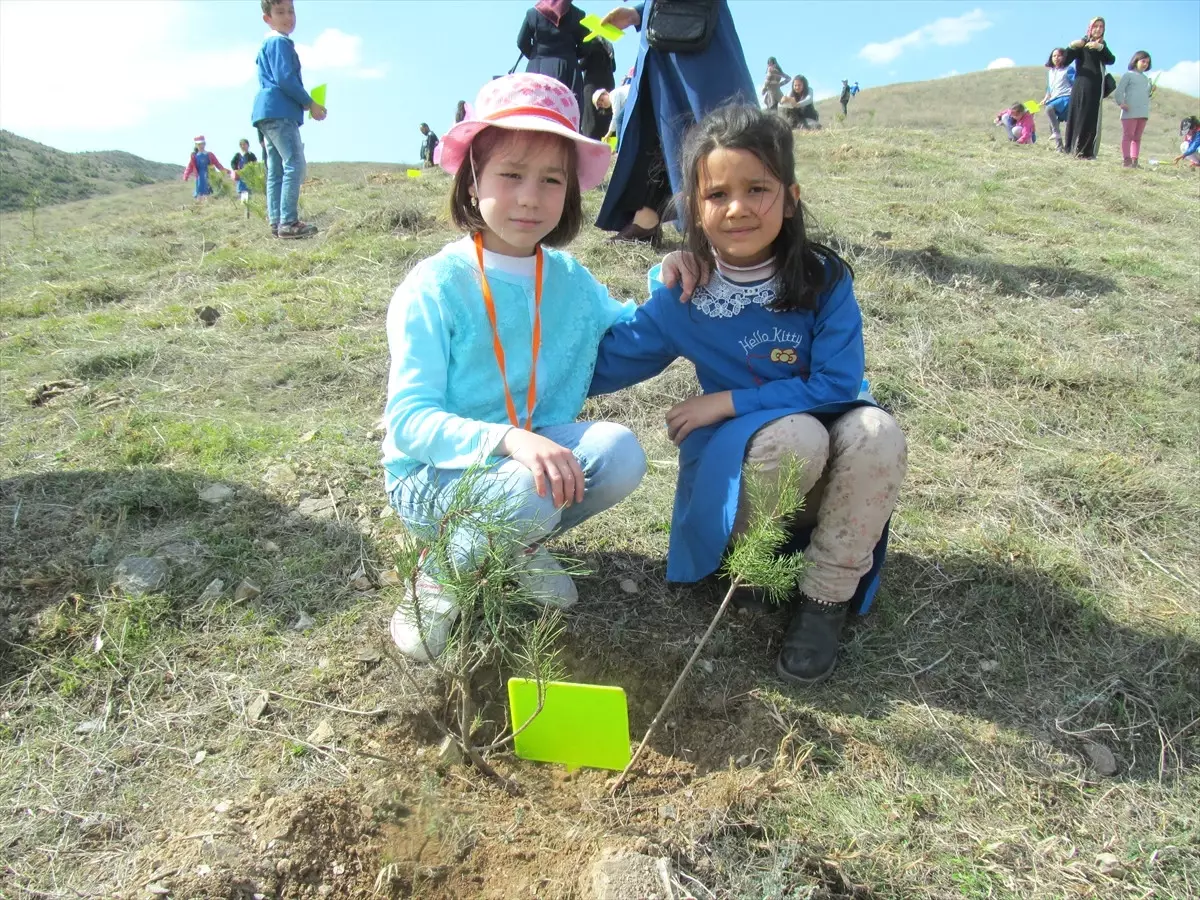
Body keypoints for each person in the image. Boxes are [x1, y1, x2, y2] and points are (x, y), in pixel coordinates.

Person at [590, 104, 906, 684]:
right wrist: (513, 372)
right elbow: (604, 362)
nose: (737, 208)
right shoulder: (685, 293)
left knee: (876, 431)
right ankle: (751, 568)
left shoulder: (823, 279)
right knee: (795, 435)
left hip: (831, 455)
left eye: (757, 188)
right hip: (752, 470)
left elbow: (838, 384)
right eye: (717, 195)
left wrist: (725, 401)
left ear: (789, 197)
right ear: (692, 207)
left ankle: (825, 598)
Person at [382, 74, 650, 662]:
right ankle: (438, 575)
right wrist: (509, 439)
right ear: (472, 181)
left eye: (551, 179)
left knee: (621, 450)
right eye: (511, 174)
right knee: (531, 483)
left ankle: (514, 545)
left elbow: (631, 327)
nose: (531, 196)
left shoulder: (569, 279)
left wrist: (676, 283)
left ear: (569, 194)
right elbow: (408, 422)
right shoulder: (436, 285)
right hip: (433, 477)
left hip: (526, 463)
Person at [595, 1, 756, 246]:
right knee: (659, 124)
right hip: (662, 30)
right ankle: (647, 216)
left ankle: (738, 215)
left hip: (697, 27)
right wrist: (638, 13)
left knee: (714, 123)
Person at [252, 0, 326, 239]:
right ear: (268, 18)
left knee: (275, 169)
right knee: (294, 163)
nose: (288, 17)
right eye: (280, 12)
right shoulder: (280, 42)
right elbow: (286, 79)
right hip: (281, 111)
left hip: (265, 111)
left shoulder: (266, 44)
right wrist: (309, 103)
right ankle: (289, 222)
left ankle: (277, 221)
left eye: (291, 11)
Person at [1062, 16, 1115, 159]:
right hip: (1081, 84)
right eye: (1095, 26)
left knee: (1090, 118)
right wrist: (1072, 46)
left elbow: (1111, 60)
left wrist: (1101, 48)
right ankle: (1072, 148)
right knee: (1078, 115)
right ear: (1090, 28)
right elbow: (1065, 60)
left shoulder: (1102, 45)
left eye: (1101, 27)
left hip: (1096, 87)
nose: (1098, 29)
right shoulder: (1082, 43)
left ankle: (1086, 151)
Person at [517, 0, 586, 96]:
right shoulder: (579, 15)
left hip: (537, 67)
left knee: (536, 104)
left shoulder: (533, 13)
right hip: (568, 69)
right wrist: (572, 56)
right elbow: (587, 45)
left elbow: (521, 42)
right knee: (567, 107)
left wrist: (535, 55)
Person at [1114, 51, 1154, 168]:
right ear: (1136, 61)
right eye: (1143, 61)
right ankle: (1126, 160)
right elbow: (1119, 91)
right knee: (1128, 135)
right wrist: (1121, 103)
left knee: (1137, 137)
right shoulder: (1128, 75)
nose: (1145, 64)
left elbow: (1145, 95)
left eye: (1147, 62)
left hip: (1143, 111)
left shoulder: (1146, 79)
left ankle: (1134, 160)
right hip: (1130, 111)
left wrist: (1151, 90)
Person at [580, 37, 617, 140]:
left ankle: (590, 145)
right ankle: (610, 144)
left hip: (592, 85)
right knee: (608, 115)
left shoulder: (589, 43)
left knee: (590, 117)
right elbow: (614, 67)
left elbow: (582, 65)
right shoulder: (608, 45)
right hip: (608, 84)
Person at [1041, 49, 1075, 151]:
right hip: (1055, 97)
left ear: (1064, 57)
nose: (1056, 58)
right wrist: (1046, 98)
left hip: (1066, 98)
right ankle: (1059, 148)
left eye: (1059, 55)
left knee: (1049, 108)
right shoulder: (1051, 72)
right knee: (1052, 123)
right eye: (1054, 56)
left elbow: (1075, 83)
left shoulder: (1069, 69)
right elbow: (1050, 87)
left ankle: (1058, 134)